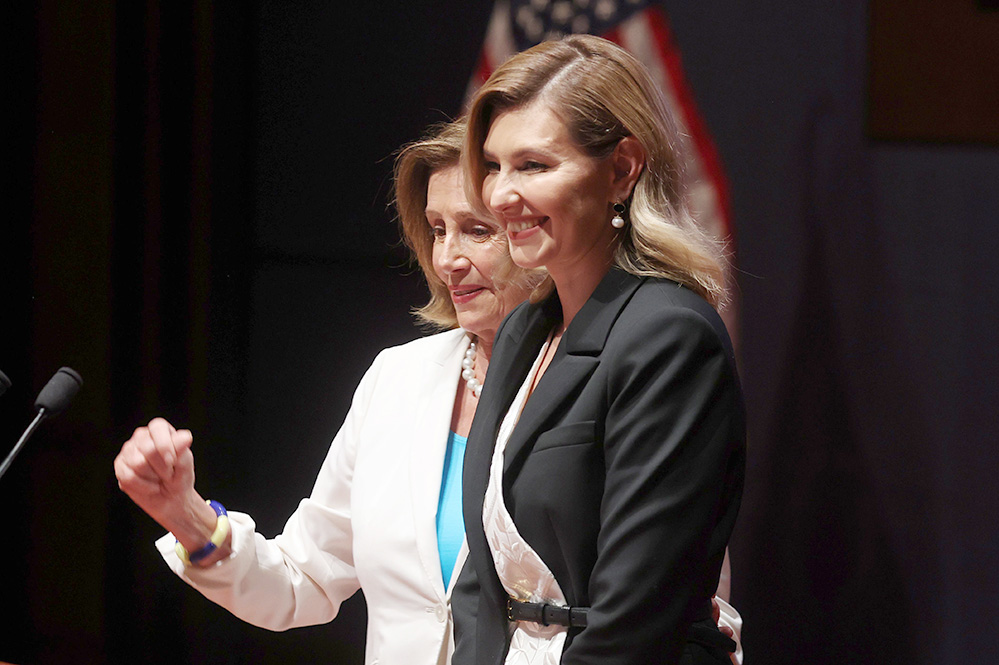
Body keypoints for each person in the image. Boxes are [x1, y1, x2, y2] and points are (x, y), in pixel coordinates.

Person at [113, 121, 742, 665]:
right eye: (437, 230)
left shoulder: (626, 373)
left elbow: (663, 609)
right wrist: (187, 516)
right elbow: (302, 581)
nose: (448, 259)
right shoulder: (398, 378)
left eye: (476, 230)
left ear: (535, 228)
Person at [455, 35, 746, 665]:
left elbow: (637, 616)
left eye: (533, 165)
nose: (500, 194)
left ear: (621, 169)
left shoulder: (668, 337)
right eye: (494, 164)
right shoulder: (521, 332)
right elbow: (481, 578)